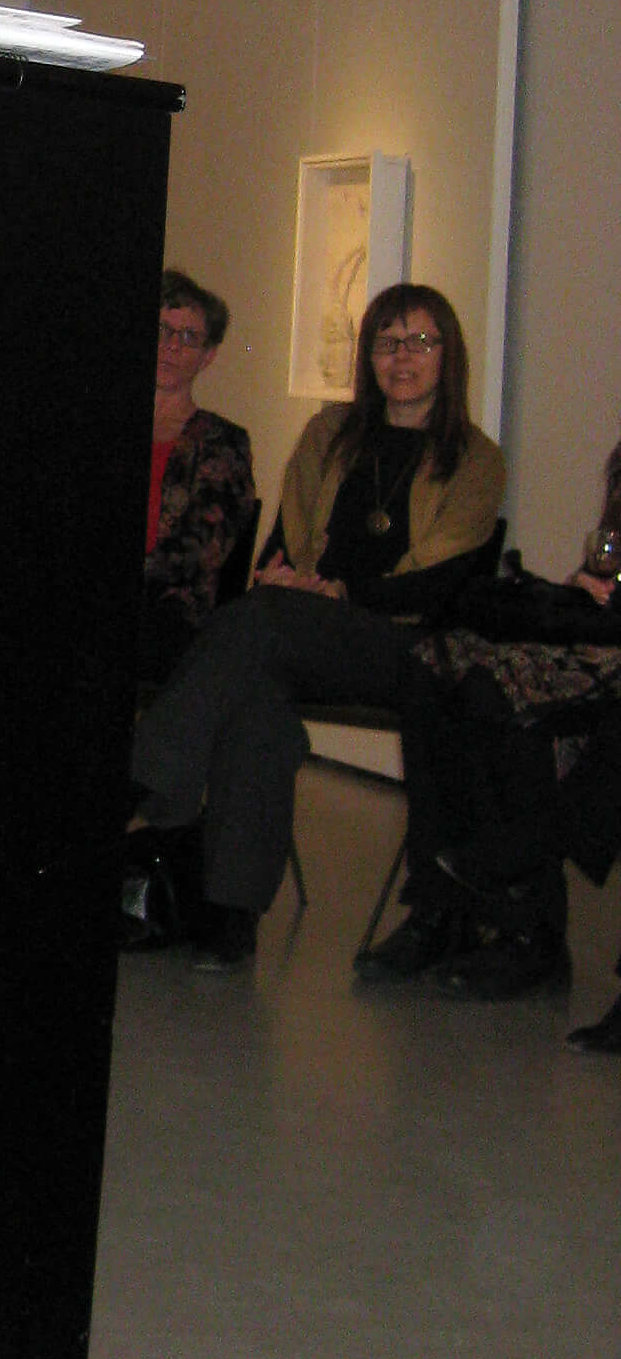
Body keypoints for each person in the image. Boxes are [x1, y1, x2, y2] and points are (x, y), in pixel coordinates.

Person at [126, 282, 503, 973]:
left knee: (258, 624)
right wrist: (283, 575)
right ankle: (230, 914)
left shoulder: (475, 459)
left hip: (402, 643)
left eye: (420, 342)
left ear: (449, 355)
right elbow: (284, 541)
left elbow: (438, 583)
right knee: (256, 699)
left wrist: (340, 592)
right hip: (302, 626)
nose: (402, 357)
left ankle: (145, 776)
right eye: (387, 342)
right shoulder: (329, 434)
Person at [370, 425, 621, 1014]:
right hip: (601, 641)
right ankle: (443, 909)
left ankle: (523, 927)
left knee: (499, 697)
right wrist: (590, 587)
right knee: (435, 663)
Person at [138, 266, 255, 686]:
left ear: (208, 356)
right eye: (163, 330)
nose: (171, 346)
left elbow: (200, 550)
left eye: (188, 337)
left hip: (167, 611)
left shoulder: (222, 442)